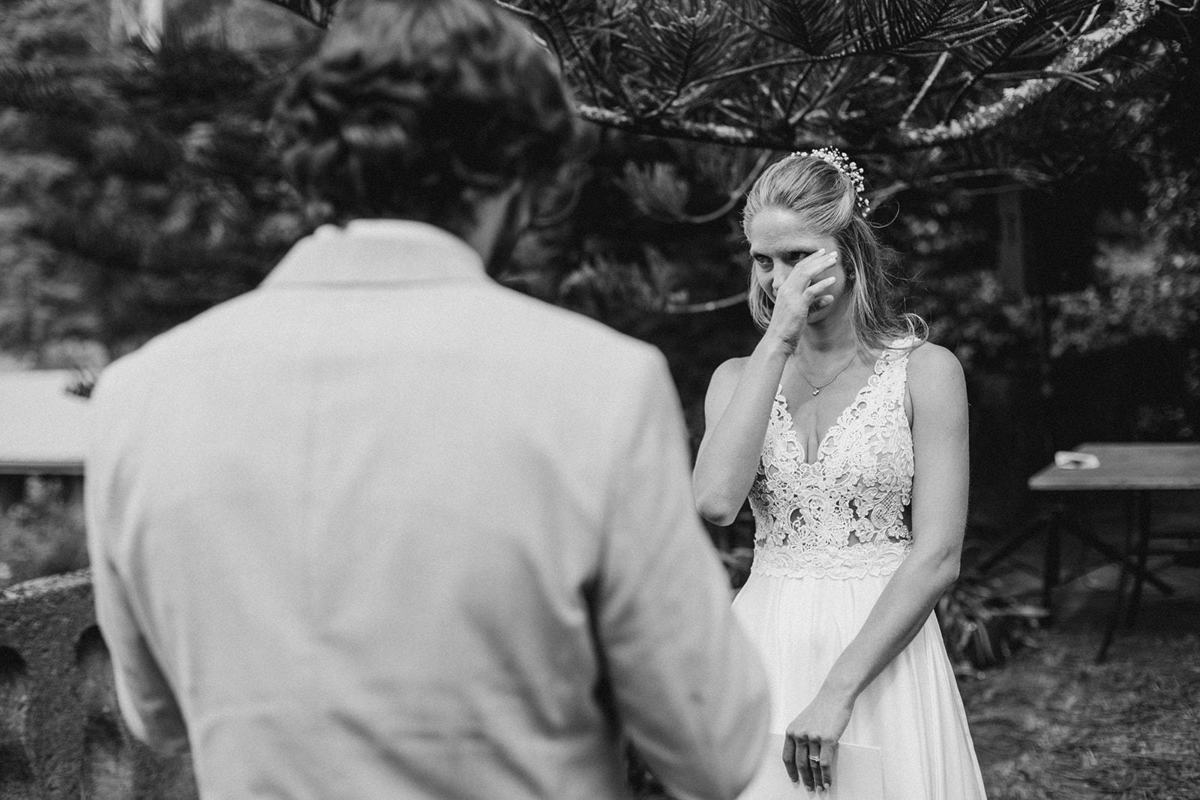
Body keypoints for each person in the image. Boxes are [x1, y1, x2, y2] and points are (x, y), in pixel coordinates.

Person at [85, 1, 771, 798]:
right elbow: (715, 742)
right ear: (512, 172)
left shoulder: (139, 396)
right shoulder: (599, 386)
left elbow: (158, 716)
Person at [693, 149, 987, 798]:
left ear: (850, 250)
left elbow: (938, 556)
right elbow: (715, 501)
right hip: (764, 647)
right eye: (763, 261)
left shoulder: (925, 372)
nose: (778, 280)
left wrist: (838, 690)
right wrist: (778, 340)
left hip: (880, 657)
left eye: (798, 256)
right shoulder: (736, 381)